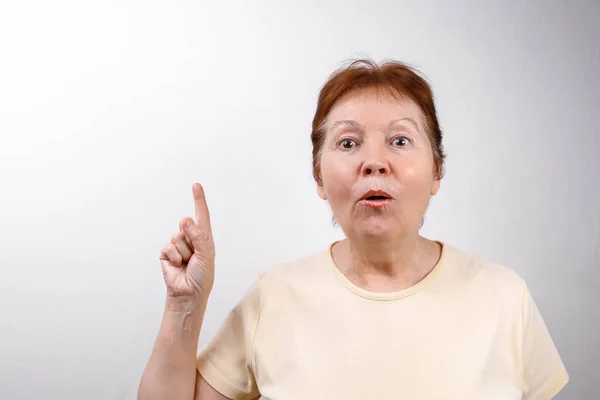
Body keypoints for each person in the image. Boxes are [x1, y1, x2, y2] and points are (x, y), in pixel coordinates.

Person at [138, 59, 569, 400]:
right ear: (319, 177)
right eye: (348, 143)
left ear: (437, 169)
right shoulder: (274, 296)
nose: (374, 161)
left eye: (400, 140)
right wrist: (183, 305)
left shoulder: (504, 297)